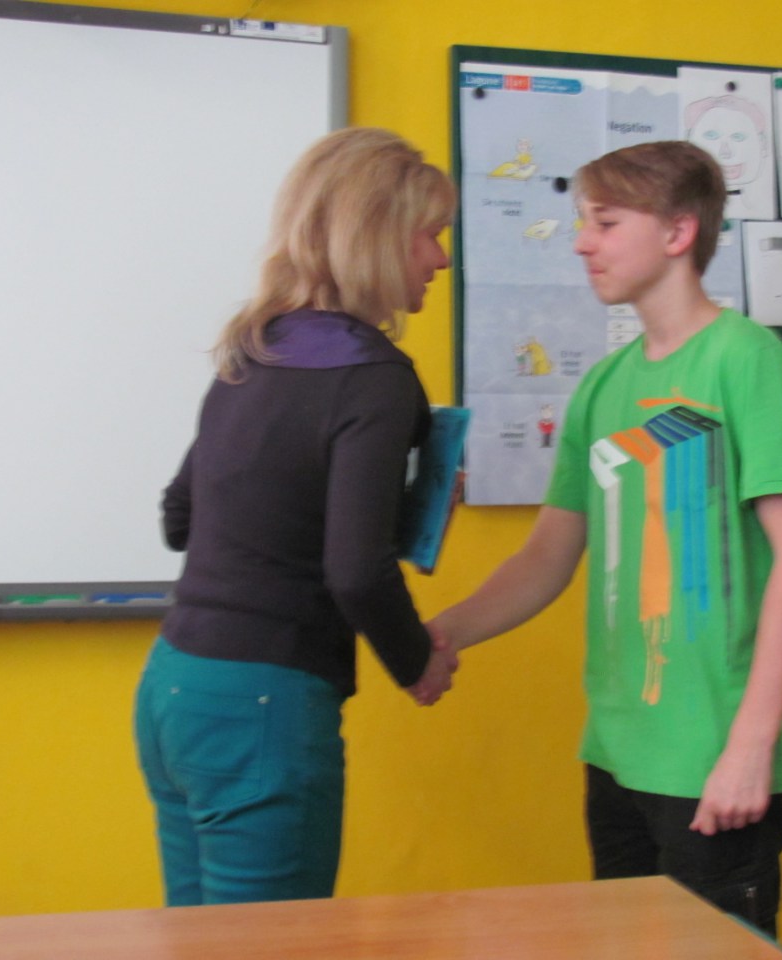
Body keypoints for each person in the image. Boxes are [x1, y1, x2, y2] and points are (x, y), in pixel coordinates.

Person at [429, 140, 782, 937]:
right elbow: (547, 557)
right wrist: (441, 636)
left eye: (605, 223)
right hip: (618, 752)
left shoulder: (748, 362)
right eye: (584, 222)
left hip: (716, 754)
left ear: (678, 232)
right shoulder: (603, 387)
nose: (583, 243)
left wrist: (750, 745)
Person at [133, 127, 460, 908]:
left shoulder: (255, 350)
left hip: (174, 688)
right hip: (262, 709)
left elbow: (180, 518)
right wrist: (417, 661)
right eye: (431, 235)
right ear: (378, 236)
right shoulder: (376, 379)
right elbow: (355, 571)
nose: (441, 259)